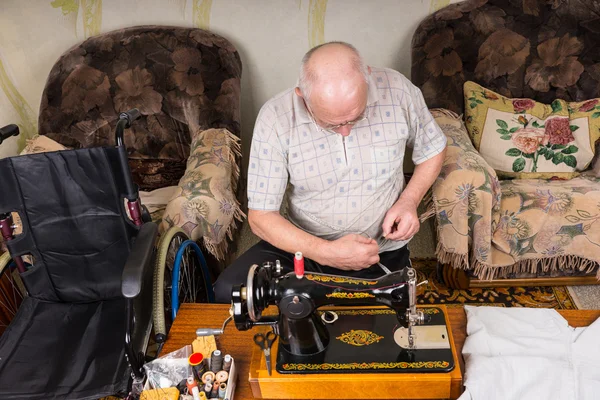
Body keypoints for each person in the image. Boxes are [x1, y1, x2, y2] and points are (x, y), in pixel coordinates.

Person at [214, 41, 446, 303]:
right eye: (330, 124)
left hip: (378, 250)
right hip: (303, 249)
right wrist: (326, 253)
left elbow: (433, 149)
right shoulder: (276, 117)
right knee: (229, 292)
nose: (346, 131)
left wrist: (409, 201)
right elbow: (261, 217)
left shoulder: (398, 90)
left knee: (378, 326)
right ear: (303, 95)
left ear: (367, 77)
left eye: (355, 118)